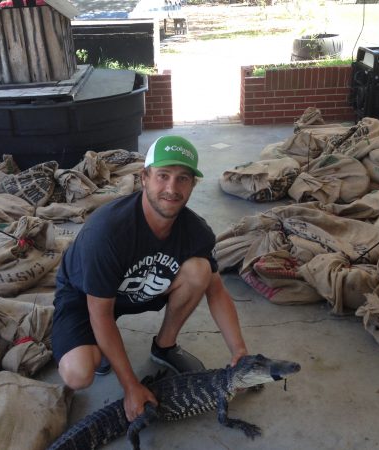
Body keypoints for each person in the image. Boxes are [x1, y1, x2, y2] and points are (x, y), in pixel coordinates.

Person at [52, 135, 248, 422]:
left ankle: (165, 346)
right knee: (78, 373)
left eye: (183, 178)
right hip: (86, 296)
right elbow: (100, 312)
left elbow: (216, 291)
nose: (172, 188)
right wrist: (131, 386)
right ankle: (94, 344)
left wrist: (240, 351)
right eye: (163, 176)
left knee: (201, 271)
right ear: (144, 178)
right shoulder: (106, 232)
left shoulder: (197, 231)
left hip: (138, 288)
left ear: (193, 185)